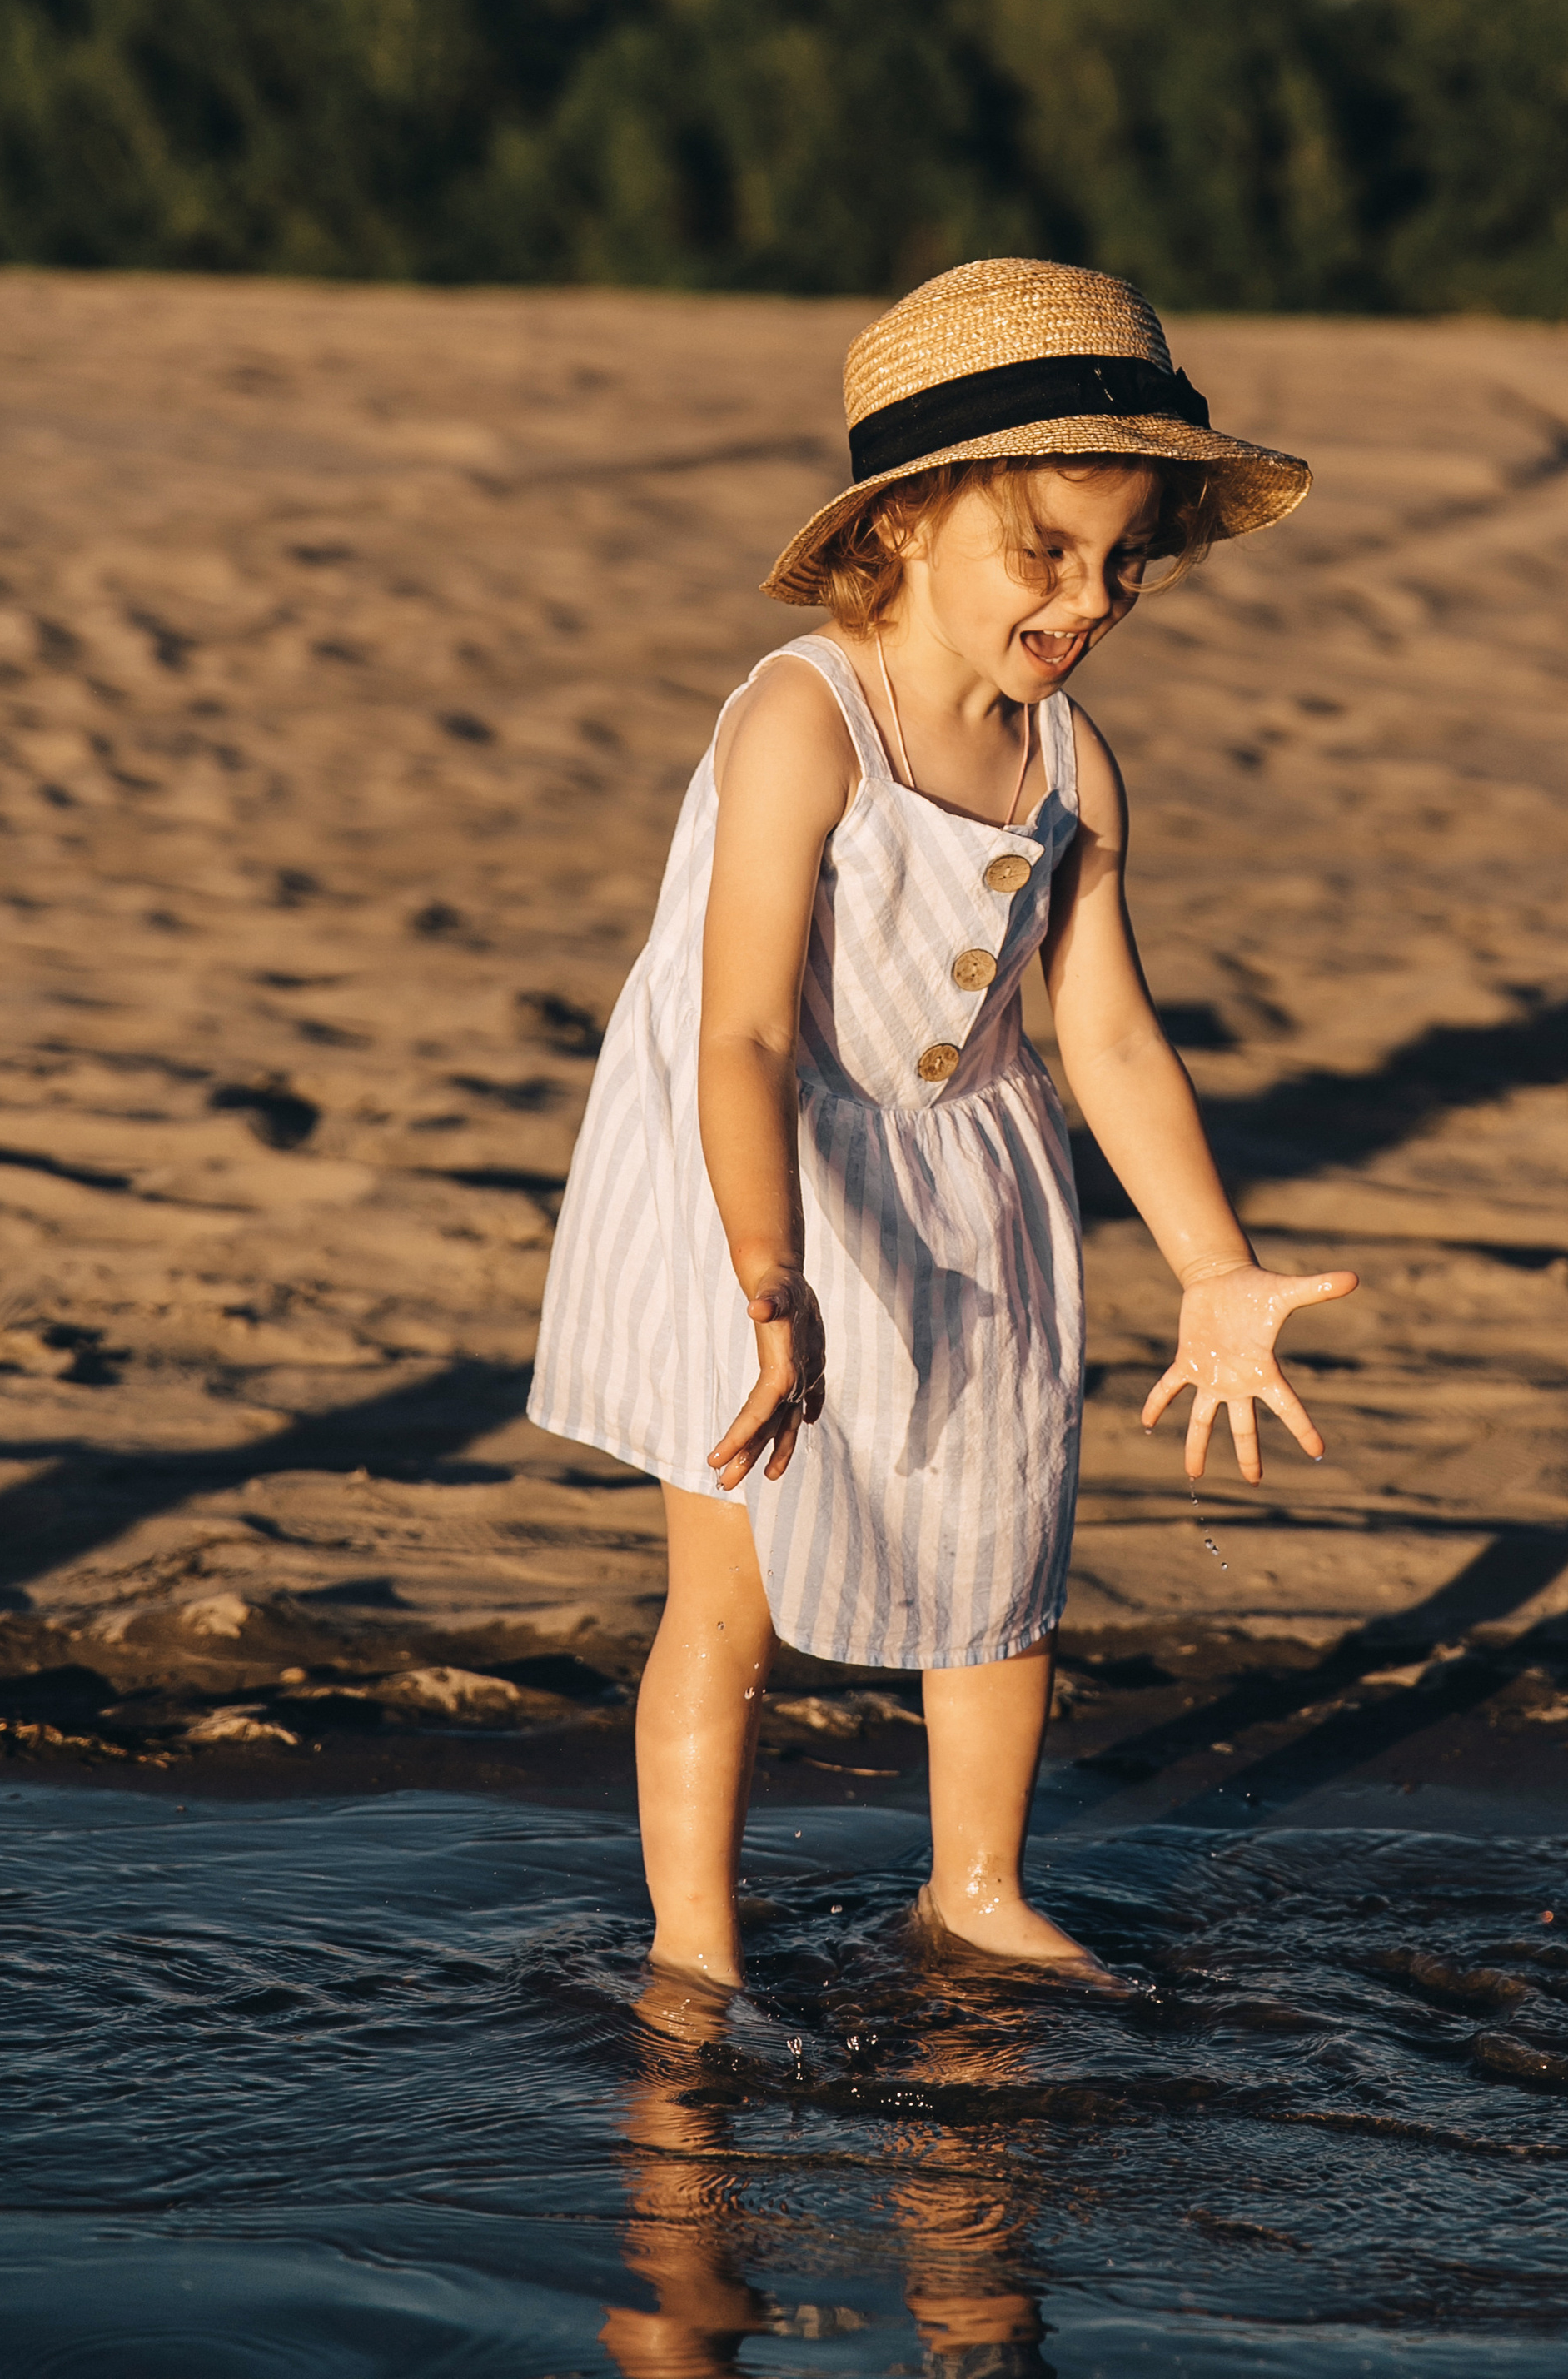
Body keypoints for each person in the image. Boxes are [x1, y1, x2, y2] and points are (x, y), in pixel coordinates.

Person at [528, 257, 1357, 1983]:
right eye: (1042, 552)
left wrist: (1211, 1266)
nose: (1087, 599)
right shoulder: (800, 719)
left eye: (1125, 560)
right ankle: (696, 1945)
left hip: (968, 1173)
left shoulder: (1072, 764)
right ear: (900, 524)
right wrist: (768, 1279)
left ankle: (970, 1887)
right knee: (728, 1589)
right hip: (746, 1162)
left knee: (1001, 1548)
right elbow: (743, 1025)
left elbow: (1109, 1035)